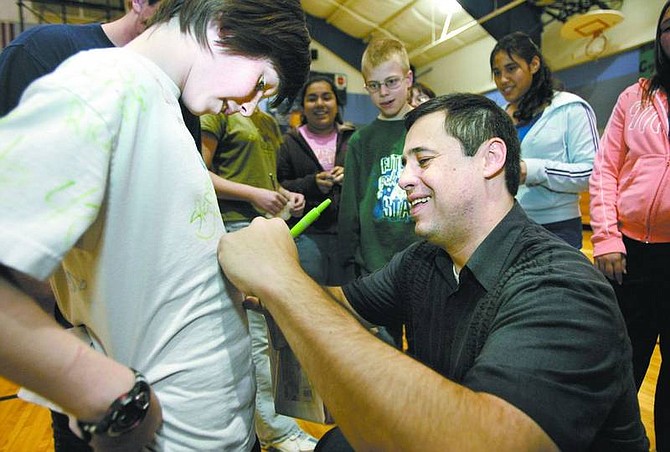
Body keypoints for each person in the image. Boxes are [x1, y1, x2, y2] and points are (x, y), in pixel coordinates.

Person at [218, 93, 649, 451]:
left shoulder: (562, 288)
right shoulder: (424, 260)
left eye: (422, 160)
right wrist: (267, 285)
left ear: (490, 159)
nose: (404, 180)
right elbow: (345, 305)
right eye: (405, 164)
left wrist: (283, 279)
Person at [0, 0, 310, 449]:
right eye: (261, 83)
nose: (248, 110)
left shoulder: (159, 101)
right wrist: (97, 390)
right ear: (225, 24)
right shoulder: (104, 85)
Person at [200, 107, 317, 452]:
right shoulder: (217, 111)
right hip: (234, 231)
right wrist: (254, 195)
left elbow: (259, 179)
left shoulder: (265, 121)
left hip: (265, 230)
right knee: (256, 339)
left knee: (270, 336)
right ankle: (276, 431)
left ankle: (271, 426)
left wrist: (280, 193)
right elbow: (199, 175)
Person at [589, 2, 670, 449]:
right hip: (630, 256)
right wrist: (605, 236)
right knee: (622, 365)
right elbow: (604, 171)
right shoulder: (633, 98)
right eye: (669, 26)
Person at [338, 38, 418, 347]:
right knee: (384, 352)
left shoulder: (426, 129)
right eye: (373, 86)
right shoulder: (361, 141)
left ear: (408, 79)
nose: (383, 93)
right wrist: (347, 261)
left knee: (426, 350)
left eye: (391, 82)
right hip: (375, 266)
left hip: (420, 260)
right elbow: (350, 205)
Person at [490, 31, 598, 249]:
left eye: (511, 68)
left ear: (534, 64)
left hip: (558, 229)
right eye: (496, 72)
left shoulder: (570, 108)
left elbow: (592, 173)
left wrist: (531, 170)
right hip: (506, 227)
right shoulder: (497, 117)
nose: (503, 79)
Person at [277, 75, 356, 285]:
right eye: (312, 98)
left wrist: (350, 177)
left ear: (337, 104)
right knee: (311, 297)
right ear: (303, 107)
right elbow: (279, 185)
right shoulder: (288, 142)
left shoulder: (353, 139)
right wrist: (312, 184)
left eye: (326, 97)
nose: (320, 104)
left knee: (344, 302)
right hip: (305, 235)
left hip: (346, 236)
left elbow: (366, 183)